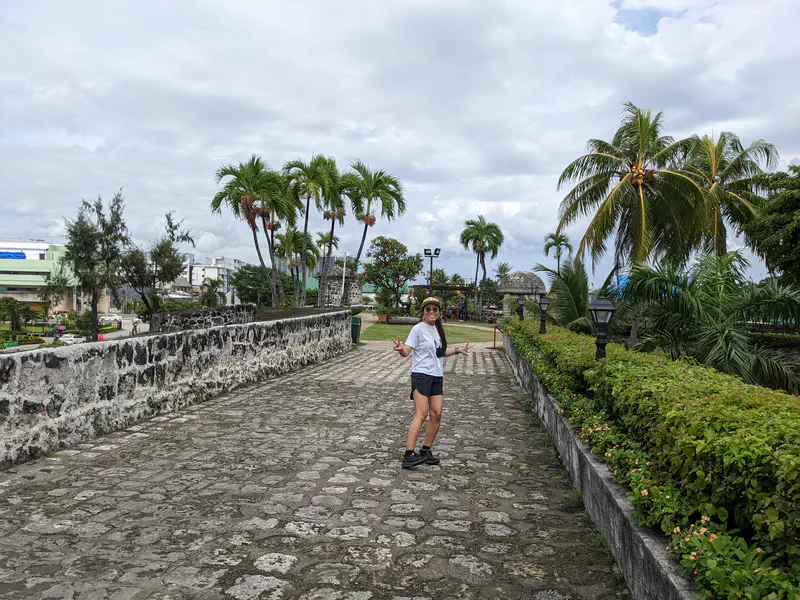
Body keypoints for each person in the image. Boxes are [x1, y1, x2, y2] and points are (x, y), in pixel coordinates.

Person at [392, 297, 473, 469]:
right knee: (421, 414)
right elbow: (407, 350)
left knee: (437, 413)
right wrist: (401, 350)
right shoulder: (418, 329)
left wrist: (457, 350)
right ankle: (408, 454)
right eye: (428, 309)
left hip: (437, 375)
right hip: (421, 375)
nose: (431, 312)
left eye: (435, 309)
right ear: (423, 312)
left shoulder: (437, 329)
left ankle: (426, 450)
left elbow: (440, 352)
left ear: (439, 312)